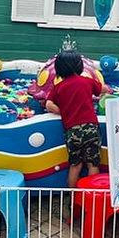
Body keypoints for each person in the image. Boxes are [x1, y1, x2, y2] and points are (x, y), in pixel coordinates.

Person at [46, 51, 107, 188]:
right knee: (93, 164)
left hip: (72, 131)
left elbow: (49, 105)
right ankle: (92, 195)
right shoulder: (87, 82)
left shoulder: (58, 88)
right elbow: (104, 89)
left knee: (75, 165)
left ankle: (73, 197)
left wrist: (66, 111)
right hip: (90, 128)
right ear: (80, 66)